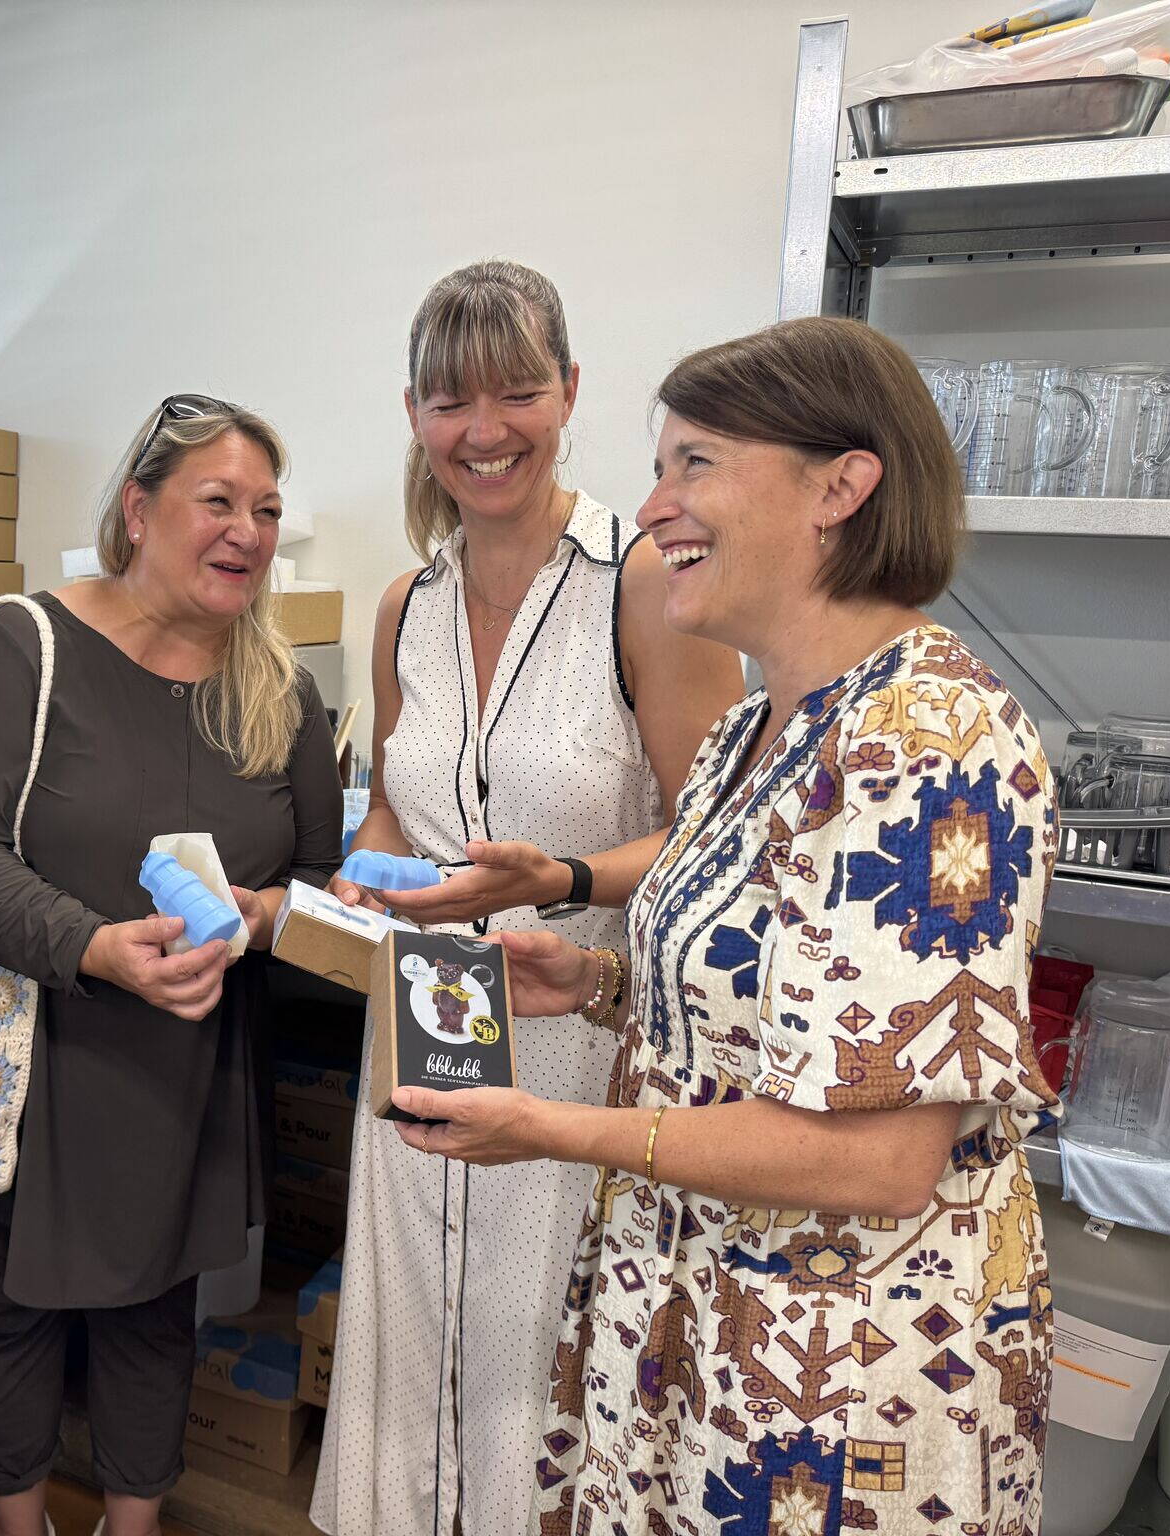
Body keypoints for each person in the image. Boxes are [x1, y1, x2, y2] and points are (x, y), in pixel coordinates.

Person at [392, 317, 1059, 1536]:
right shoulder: (752, 735)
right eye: (657, 468)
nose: (654, 508)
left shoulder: (927, 747)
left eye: (693, 463)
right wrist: (592, 985)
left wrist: (554, 1126)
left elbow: (878, 1152)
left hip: (830, 1388)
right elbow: (774, 1000)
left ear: (839, 485)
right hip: (688, 1322)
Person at [312, 260, 742, 1536]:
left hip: (573, 1029)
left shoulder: (646, 586)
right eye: (450, 402)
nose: (482, 430)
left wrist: (559, 879)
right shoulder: (406, 602)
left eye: (514, 393)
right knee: (409, 1316)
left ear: (567, 393)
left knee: (534, 1338)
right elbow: (397, 802)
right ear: (412, 413)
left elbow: (710, 834)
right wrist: (368, 867)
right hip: (418, 1012)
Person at [0, 396, 343, 1536]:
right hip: (32, 1051)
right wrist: (93, 946)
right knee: (4, 1309)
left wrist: (252, 919)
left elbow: (315, 873)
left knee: (156, 1312)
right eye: (218, 501)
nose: (246, 529)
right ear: (138, 509)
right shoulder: (17, 646)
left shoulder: (280, 690)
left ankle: (132, 1522)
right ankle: (17, 1522)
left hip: (185, 1058)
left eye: (265, 509)